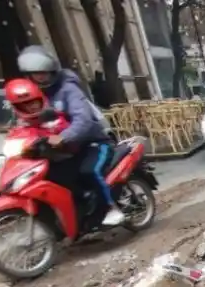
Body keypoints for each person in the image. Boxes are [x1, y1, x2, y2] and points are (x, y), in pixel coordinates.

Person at [16, 46, 124, 226]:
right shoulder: (33, 96)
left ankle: (110, 207)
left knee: (90, 171)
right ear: (28, 75)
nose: (41, 77)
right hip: (64, 150)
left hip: (92, 142)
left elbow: (83, 120)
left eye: (44, 73)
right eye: (36, 73)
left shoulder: (68, 90)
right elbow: (24, 120)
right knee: (54, 177)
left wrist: (64, 136)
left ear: (53, 71)